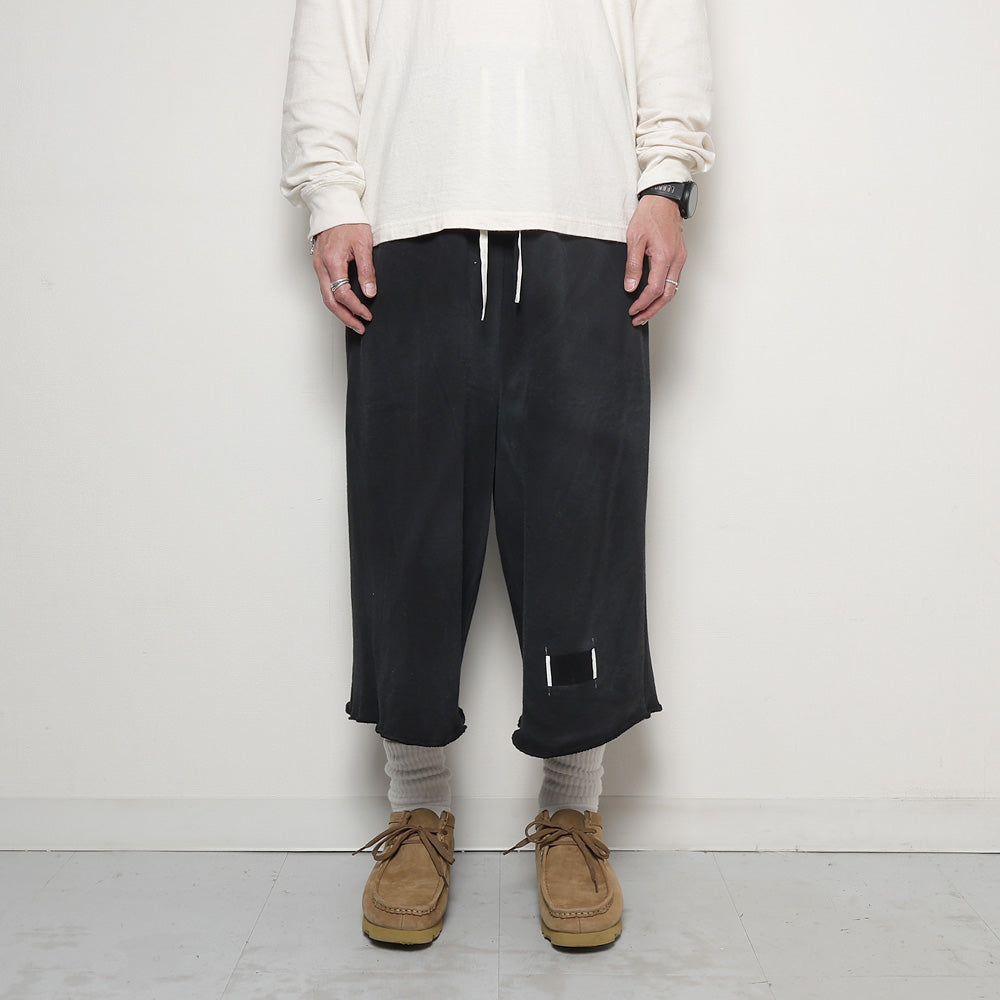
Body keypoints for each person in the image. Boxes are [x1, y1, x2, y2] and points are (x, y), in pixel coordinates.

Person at [280, 0, 714, 948]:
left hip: (586, 215)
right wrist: (331, 196)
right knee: (408, 525)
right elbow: (329, 39)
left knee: (580, 522)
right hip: (409, 216)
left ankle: (572, 809)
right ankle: (416, 808)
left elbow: (670, 27)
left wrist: (666, 184)